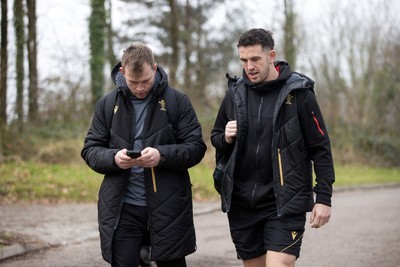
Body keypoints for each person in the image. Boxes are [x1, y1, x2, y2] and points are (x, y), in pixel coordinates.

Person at [211, 28, 335, 267]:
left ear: (271, 55)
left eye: (255, 59)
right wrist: (225, 138)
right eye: (244, 60)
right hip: (242, 204)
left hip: (284, 203)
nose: (249, 66)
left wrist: (324, 197)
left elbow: (320, 147)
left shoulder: (298, 93)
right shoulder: (235, 93)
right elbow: (216, 137)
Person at [81, 43, 207, 267]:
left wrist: (162, 155)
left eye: (145, 81)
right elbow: (90, 149)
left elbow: (196, 148)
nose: (139, 88)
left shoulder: (178, 101)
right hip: (123, 207)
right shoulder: (107, 105)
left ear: (155, 69)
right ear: (122, 73)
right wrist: (114, 159)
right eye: (133, 82)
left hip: (169, 207)